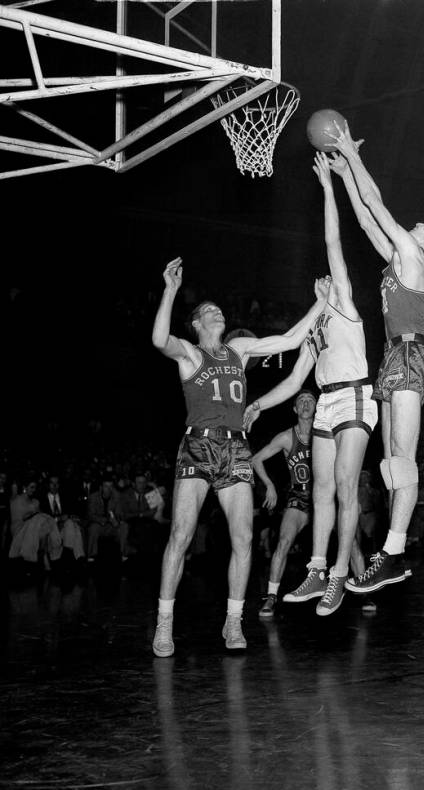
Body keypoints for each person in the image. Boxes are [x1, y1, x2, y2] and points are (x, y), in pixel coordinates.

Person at [150, 257, 329, 658]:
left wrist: (319, 303)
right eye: (208, 312)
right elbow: (159, 339)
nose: (217, 313)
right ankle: (164, 622)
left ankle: (234, 620)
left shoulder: (238, 350)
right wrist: (171, 291)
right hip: (197, 446)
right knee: (180, 535)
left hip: (234, 448)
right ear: (196, 323)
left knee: (244, 538)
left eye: (219, 311)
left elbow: (286, 341)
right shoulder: (189, 355)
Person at [243, 152, 378, 618]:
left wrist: (327, 187)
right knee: (320, 486)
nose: (326, 276)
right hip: (325, 402)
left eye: (330, 277)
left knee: (344, 484)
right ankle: (318, 567)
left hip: (357, 394)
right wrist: (259, 405)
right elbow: (295, 381)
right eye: (320, 279)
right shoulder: (316, 332)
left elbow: (333, 241)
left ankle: (342, 575)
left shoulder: (344, 305)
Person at [327, 125, 424, 595]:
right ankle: (394, 556)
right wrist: (344, 175)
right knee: (388, 463)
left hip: (411, 354)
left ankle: (394, 552)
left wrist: (351, 155)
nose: (416, 225)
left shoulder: (415, 258)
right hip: (394, 356)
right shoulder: (399, 261)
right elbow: (365, 221)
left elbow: (378, 205)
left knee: (403, 459)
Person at [250, 389, 316, 619]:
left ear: (316, 407)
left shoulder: (326, 434)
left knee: (352, 540)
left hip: (323, 498)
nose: (306, 404)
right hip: (298, 497)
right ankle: (271, 596)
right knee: (284, 541)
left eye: (310, 400)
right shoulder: (286, 437)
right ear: (296, 409)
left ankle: (364, 594)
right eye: (301, 401)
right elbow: (255, 459)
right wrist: (269, 485)